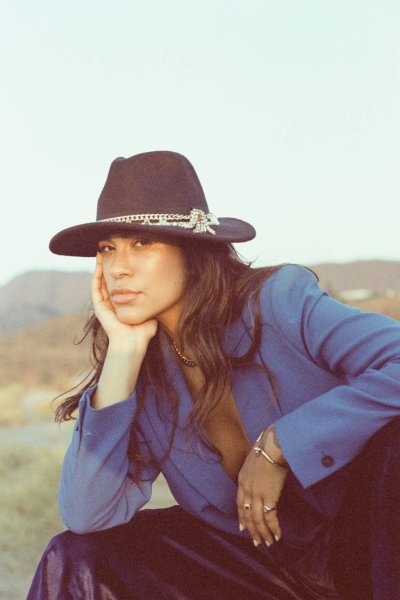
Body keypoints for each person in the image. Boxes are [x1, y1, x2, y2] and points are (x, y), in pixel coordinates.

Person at [28, 151, 400, 600]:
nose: (118, 267)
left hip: (369, 544)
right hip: (259, 567)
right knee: (76, 557)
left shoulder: (276, 304)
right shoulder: (143, 374)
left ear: (192, 250)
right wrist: (122, 355)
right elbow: (87, 514)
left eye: (142, 243)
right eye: (108, 248)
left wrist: (281, 444)